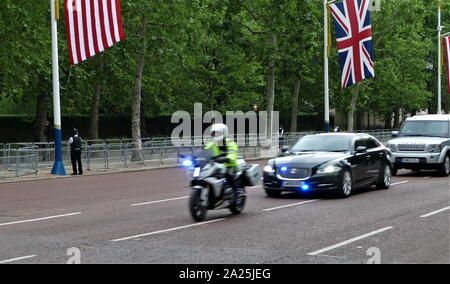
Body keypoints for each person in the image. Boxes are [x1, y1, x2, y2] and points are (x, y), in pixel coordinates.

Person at [204, 123, 239, 196]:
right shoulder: (211, 144)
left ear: (224, 132)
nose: (216, 135)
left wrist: (227, 158)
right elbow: (205, 151)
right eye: (214, 133)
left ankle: (237, 193)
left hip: (229, 165)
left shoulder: (231, 143)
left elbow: (232, 153)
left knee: (229, 174)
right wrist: (196, 157)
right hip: (216, 166)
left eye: (218, 133)